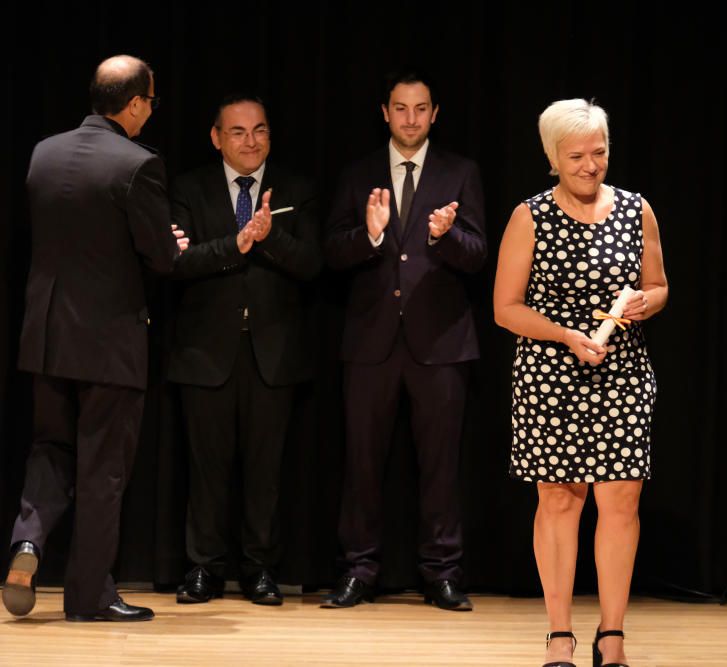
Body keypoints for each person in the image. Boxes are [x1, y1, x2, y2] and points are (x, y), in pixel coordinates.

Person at [2, 55, 186, 622]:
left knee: (50, 449)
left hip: (47, 334)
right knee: (103, 469)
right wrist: (173, 244)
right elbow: (158, 255)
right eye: (151, 103)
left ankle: (27, 541)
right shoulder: (137, 165)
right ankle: (89, 596)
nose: (151, 113)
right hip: (108, 342)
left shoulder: (44, 153)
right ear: (133, 104)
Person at [494, 99, 668, 667]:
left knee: (621, 501)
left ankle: (612, 635)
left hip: (621, 371)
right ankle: (560, 635)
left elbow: (660, 284)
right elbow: (506, 309)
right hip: (552, 374)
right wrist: (567, 335)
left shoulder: (637, 209)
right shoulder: (531, 216)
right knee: (559, 502)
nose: (591, 165)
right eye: (577, 156)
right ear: (552, 158)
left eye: (600, 152)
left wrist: (645, 303)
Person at [324, 72, 486, 611]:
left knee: (440, 466)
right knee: (361, 464)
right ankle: (358, 570)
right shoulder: (357, 173)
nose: (410, 119)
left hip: (440, 344)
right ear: (385, 112)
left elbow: (478, 255)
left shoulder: (461, 172)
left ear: (434, 113)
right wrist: (369, 236)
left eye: (420, 109)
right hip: (370, 343)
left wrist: (445, 237)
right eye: (400, 108)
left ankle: (442, 573)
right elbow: (332, 253)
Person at [167, 95, 322, 606]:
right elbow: (176, 263)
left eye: (259, 130)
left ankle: (260, 569)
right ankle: (203, 569)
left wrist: (270, 236)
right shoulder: (187, 189)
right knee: (206, 469)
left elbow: (313, 265)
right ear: (216, 137)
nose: (250, 141)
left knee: (266, 471)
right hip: (205, 352)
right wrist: (236, 244)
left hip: (273, 353)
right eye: (237, 132)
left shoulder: (295, 189)